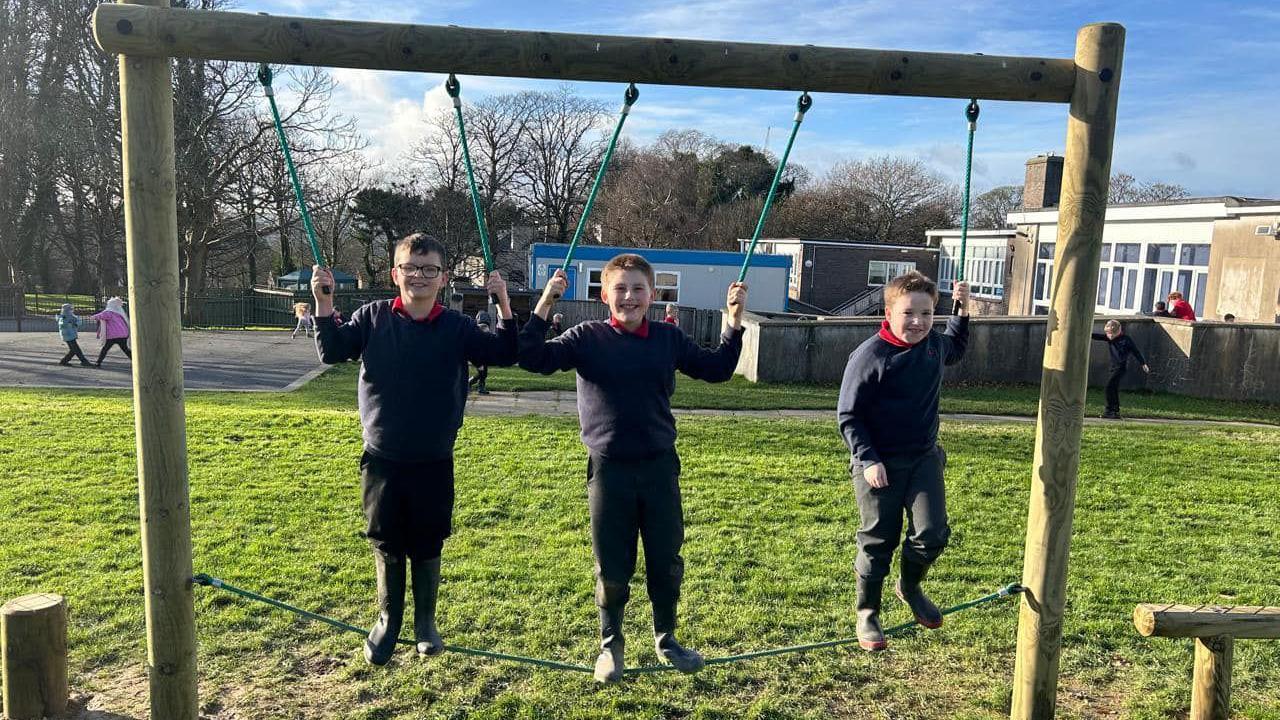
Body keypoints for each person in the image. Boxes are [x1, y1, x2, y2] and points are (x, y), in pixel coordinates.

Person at [518, 254, 747, 683]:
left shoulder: (667, 338)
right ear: (604, 295)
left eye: (638, 289)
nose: (629, 297)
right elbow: (532, 357)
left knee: (666, 561)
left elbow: (717, 369)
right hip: (609, 472)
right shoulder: (586, 337)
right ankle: (610, 644)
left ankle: (667, 639)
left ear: (653, 295)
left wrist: (733, 322)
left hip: (660, 469)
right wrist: (545, 302)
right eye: (619, 289)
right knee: (613, 566)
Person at [312, 233, 518, 666]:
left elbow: (504, 352)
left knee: (427, 543)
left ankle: (426, 622)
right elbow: (332, 350)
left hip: (433, 459)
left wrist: (502, 303)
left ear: (442, 279)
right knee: (386, 543)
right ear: (395, 273)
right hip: (383, 458)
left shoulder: (457, 327)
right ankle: (389, 621)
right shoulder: (372, 318)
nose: (418, 276)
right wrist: (324, 302)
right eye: (410, 267)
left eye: (429, 270)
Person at [837, 272, 969, 652]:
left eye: (927, 314)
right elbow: (848, 416)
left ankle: (909, 586)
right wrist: (868, 460)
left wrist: (962, 308)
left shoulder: (933, 347)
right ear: (889, 311)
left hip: (924, 457)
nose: (918, 322)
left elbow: (956, 347)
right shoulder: (870, 356)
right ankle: (867, 611)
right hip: (877, 462)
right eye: (909, 313)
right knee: (879, 539)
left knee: (932, 533)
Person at [1091, 319, 1149, 420]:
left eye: (1111, 334)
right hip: (1113, 367)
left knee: (1109, 388)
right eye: (1107, 333)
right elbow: (1096, 336)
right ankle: (1113, 411)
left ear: (1118, 331)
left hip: (1120, 368)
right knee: (1113, 389)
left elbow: (1136, 351)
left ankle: (1111, 410)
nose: (1109, 336)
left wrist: (1143, 364)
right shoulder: (1109, 338)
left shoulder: (1126, 340)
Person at [91, 297, 132, 367]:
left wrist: (92, 317)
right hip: (123, 335)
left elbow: (100, 316)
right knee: (126, 349)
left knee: (105, 349)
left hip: (113, 336)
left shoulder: (109, 312)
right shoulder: (119, 313)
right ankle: (135, 360)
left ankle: (98, 362)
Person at [469, 310, 492, 395]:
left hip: (480, 355)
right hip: (480, 355)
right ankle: (471, 384)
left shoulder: (477, 328)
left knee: (483, 373)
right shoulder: (484, 328)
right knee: (482, 373)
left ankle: (479, 386)